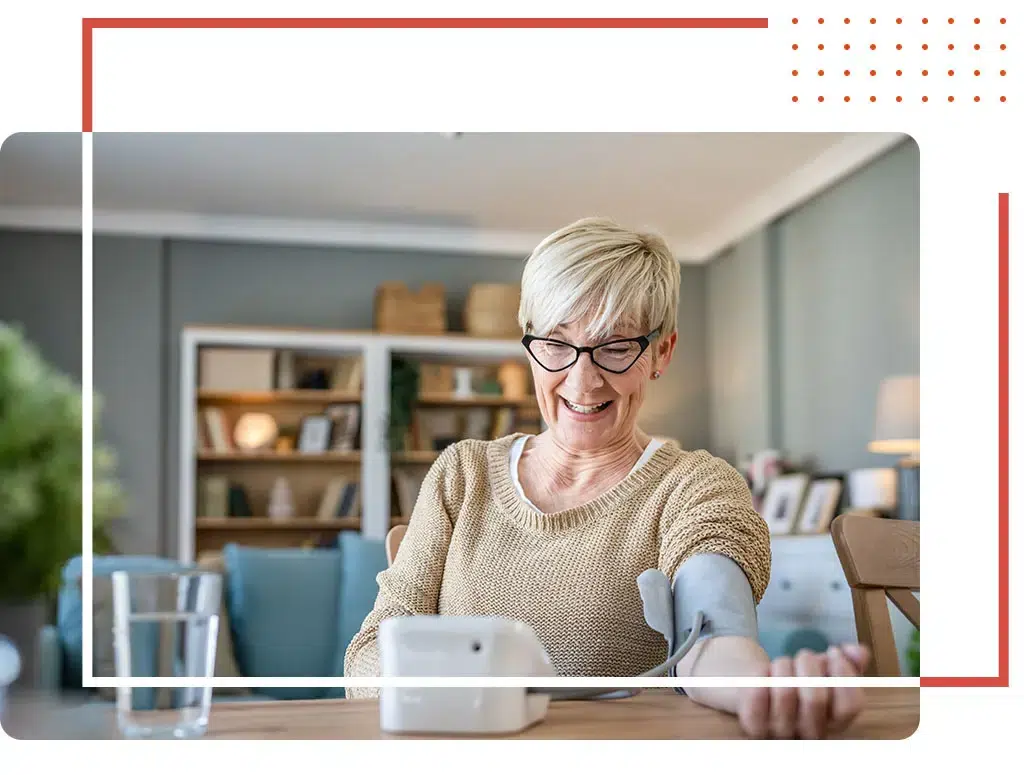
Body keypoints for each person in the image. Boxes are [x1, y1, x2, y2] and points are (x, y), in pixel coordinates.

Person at [344, 217, 870, 738]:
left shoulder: (695, 486)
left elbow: (711, 636)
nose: (582, 380)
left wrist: (758, 686)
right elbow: (370, 655)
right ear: (528, 343)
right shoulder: (461, 474)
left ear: (661, 352)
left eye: (616, 347)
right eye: (555, 342)